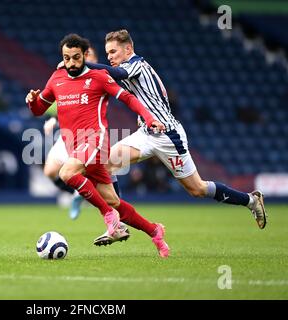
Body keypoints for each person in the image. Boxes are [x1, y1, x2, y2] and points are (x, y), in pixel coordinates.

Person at [85, 29, 268, 234]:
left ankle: (251, 200)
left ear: (128, 49)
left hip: (168, 136)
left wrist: (83, 66)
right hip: (146, 134)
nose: (109, 57)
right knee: (106, 164)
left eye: (113, 52)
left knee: (197, 189)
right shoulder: (127, 67)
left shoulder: (137, 64)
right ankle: (119, 222)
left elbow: (118, 74)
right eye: (107, 53)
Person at [26, 34, 170, 258]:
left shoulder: (98, 77)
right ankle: (154, 231)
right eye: (66, 58)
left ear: (85, 55)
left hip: (96, 139)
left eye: (76, 57)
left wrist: (149, 118)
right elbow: (38, 110)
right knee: (114, 200)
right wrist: (32, 101)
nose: (71, 63)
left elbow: (128, 99)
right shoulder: (56, 78)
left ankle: (107, 215)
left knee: (67, 172)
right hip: (74, 145)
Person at [43, 45, 119, 220]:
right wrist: (54, 119)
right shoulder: (69, 77)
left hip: (93, 137)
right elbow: (62, 102)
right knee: (50, 171)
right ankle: (80, 194)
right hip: (68, 135)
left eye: (89, 56)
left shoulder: (100, 77)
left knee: (107, 180)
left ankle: (113, 216)